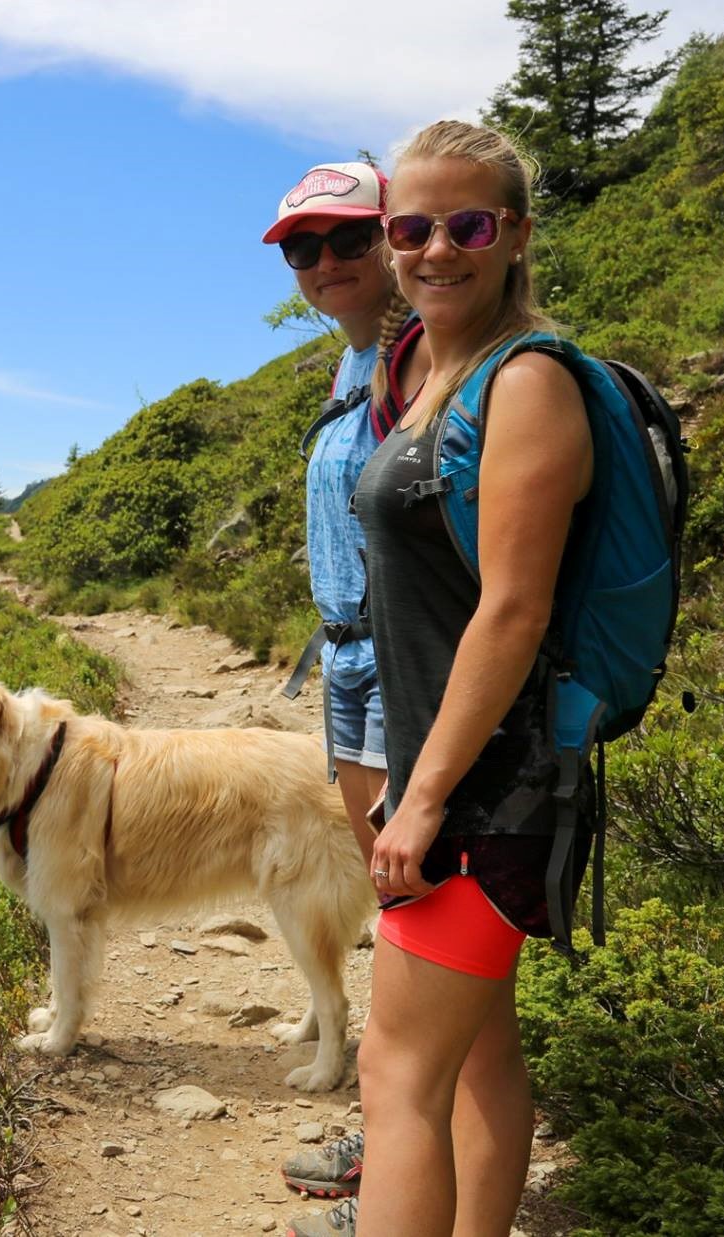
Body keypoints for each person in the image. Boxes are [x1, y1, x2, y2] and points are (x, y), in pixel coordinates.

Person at [288, 119, 593, 1237]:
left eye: (465, 225)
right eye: (409, 228)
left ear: (512, 234)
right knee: (475, 1046)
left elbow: (510, 612)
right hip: (460, 773)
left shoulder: (525, 385)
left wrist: (417, 803)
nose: (432, 250)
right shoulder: (422, 369)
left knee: (396, 1075)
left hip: (485, 789)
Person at [262, 161, 418, 1207]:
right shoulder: (353, 363)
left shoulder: (422, 365)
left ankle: (406, 1180)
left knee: (424, 920)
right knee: (397, 915)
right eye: (300, 248)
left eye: (346, 239)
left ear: (391, 236)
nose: (323, 263)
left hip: (406, 670)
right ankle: (393, 1144)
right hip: (353, 666)